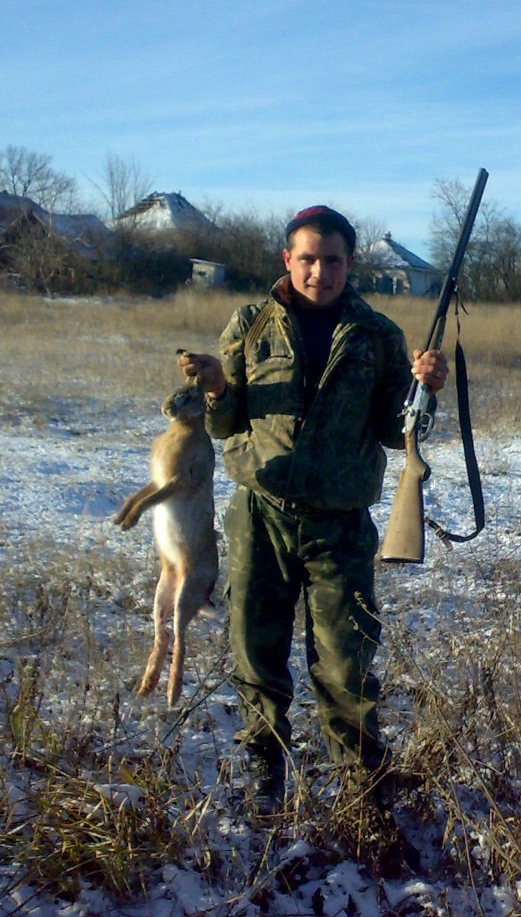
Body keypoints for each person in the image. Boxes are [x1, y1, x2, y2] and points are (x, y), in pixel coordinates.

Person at [176, 205, 448, 814]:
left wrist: (424, 392)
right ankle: (263, 761)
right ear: (288, 259)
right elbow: (224, 425)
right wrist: (216, 387)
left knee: (347, 657)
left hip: (339, 522)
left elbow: (393, 431)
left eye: (332, 260)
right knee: (255, 647)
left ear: (349, 264)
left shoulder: (378, 335)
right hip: (260, 513)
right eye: (308, 259)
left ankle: (359, 779)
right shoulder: (249, 324)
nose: (319, 272)